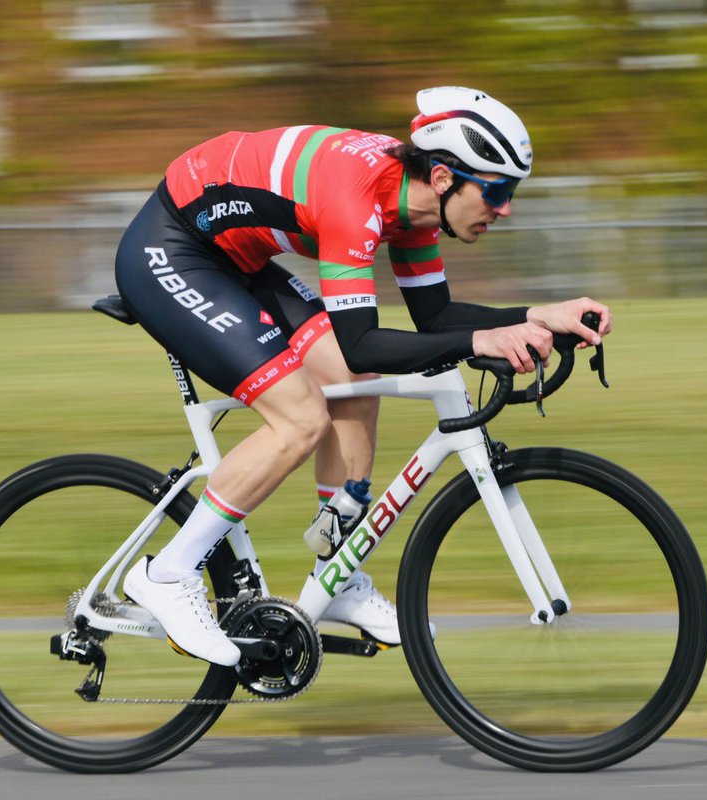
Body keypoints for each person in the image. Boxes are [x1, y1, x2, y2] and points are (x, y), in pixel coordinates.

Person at [114, 86, 612, 666]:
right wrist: (484, 340)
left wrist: (535, 316)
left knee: (357, 384)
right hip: (171, 250)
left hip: (236, 260)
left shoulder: (415, 212)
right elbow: (362, 338)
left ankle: (337, 574)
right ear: (447, 178)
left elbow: (436, 319)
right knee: (300, 418)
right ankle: (169, 574)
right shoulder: (356, 201)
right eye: (497, 191)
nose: (505, 209)